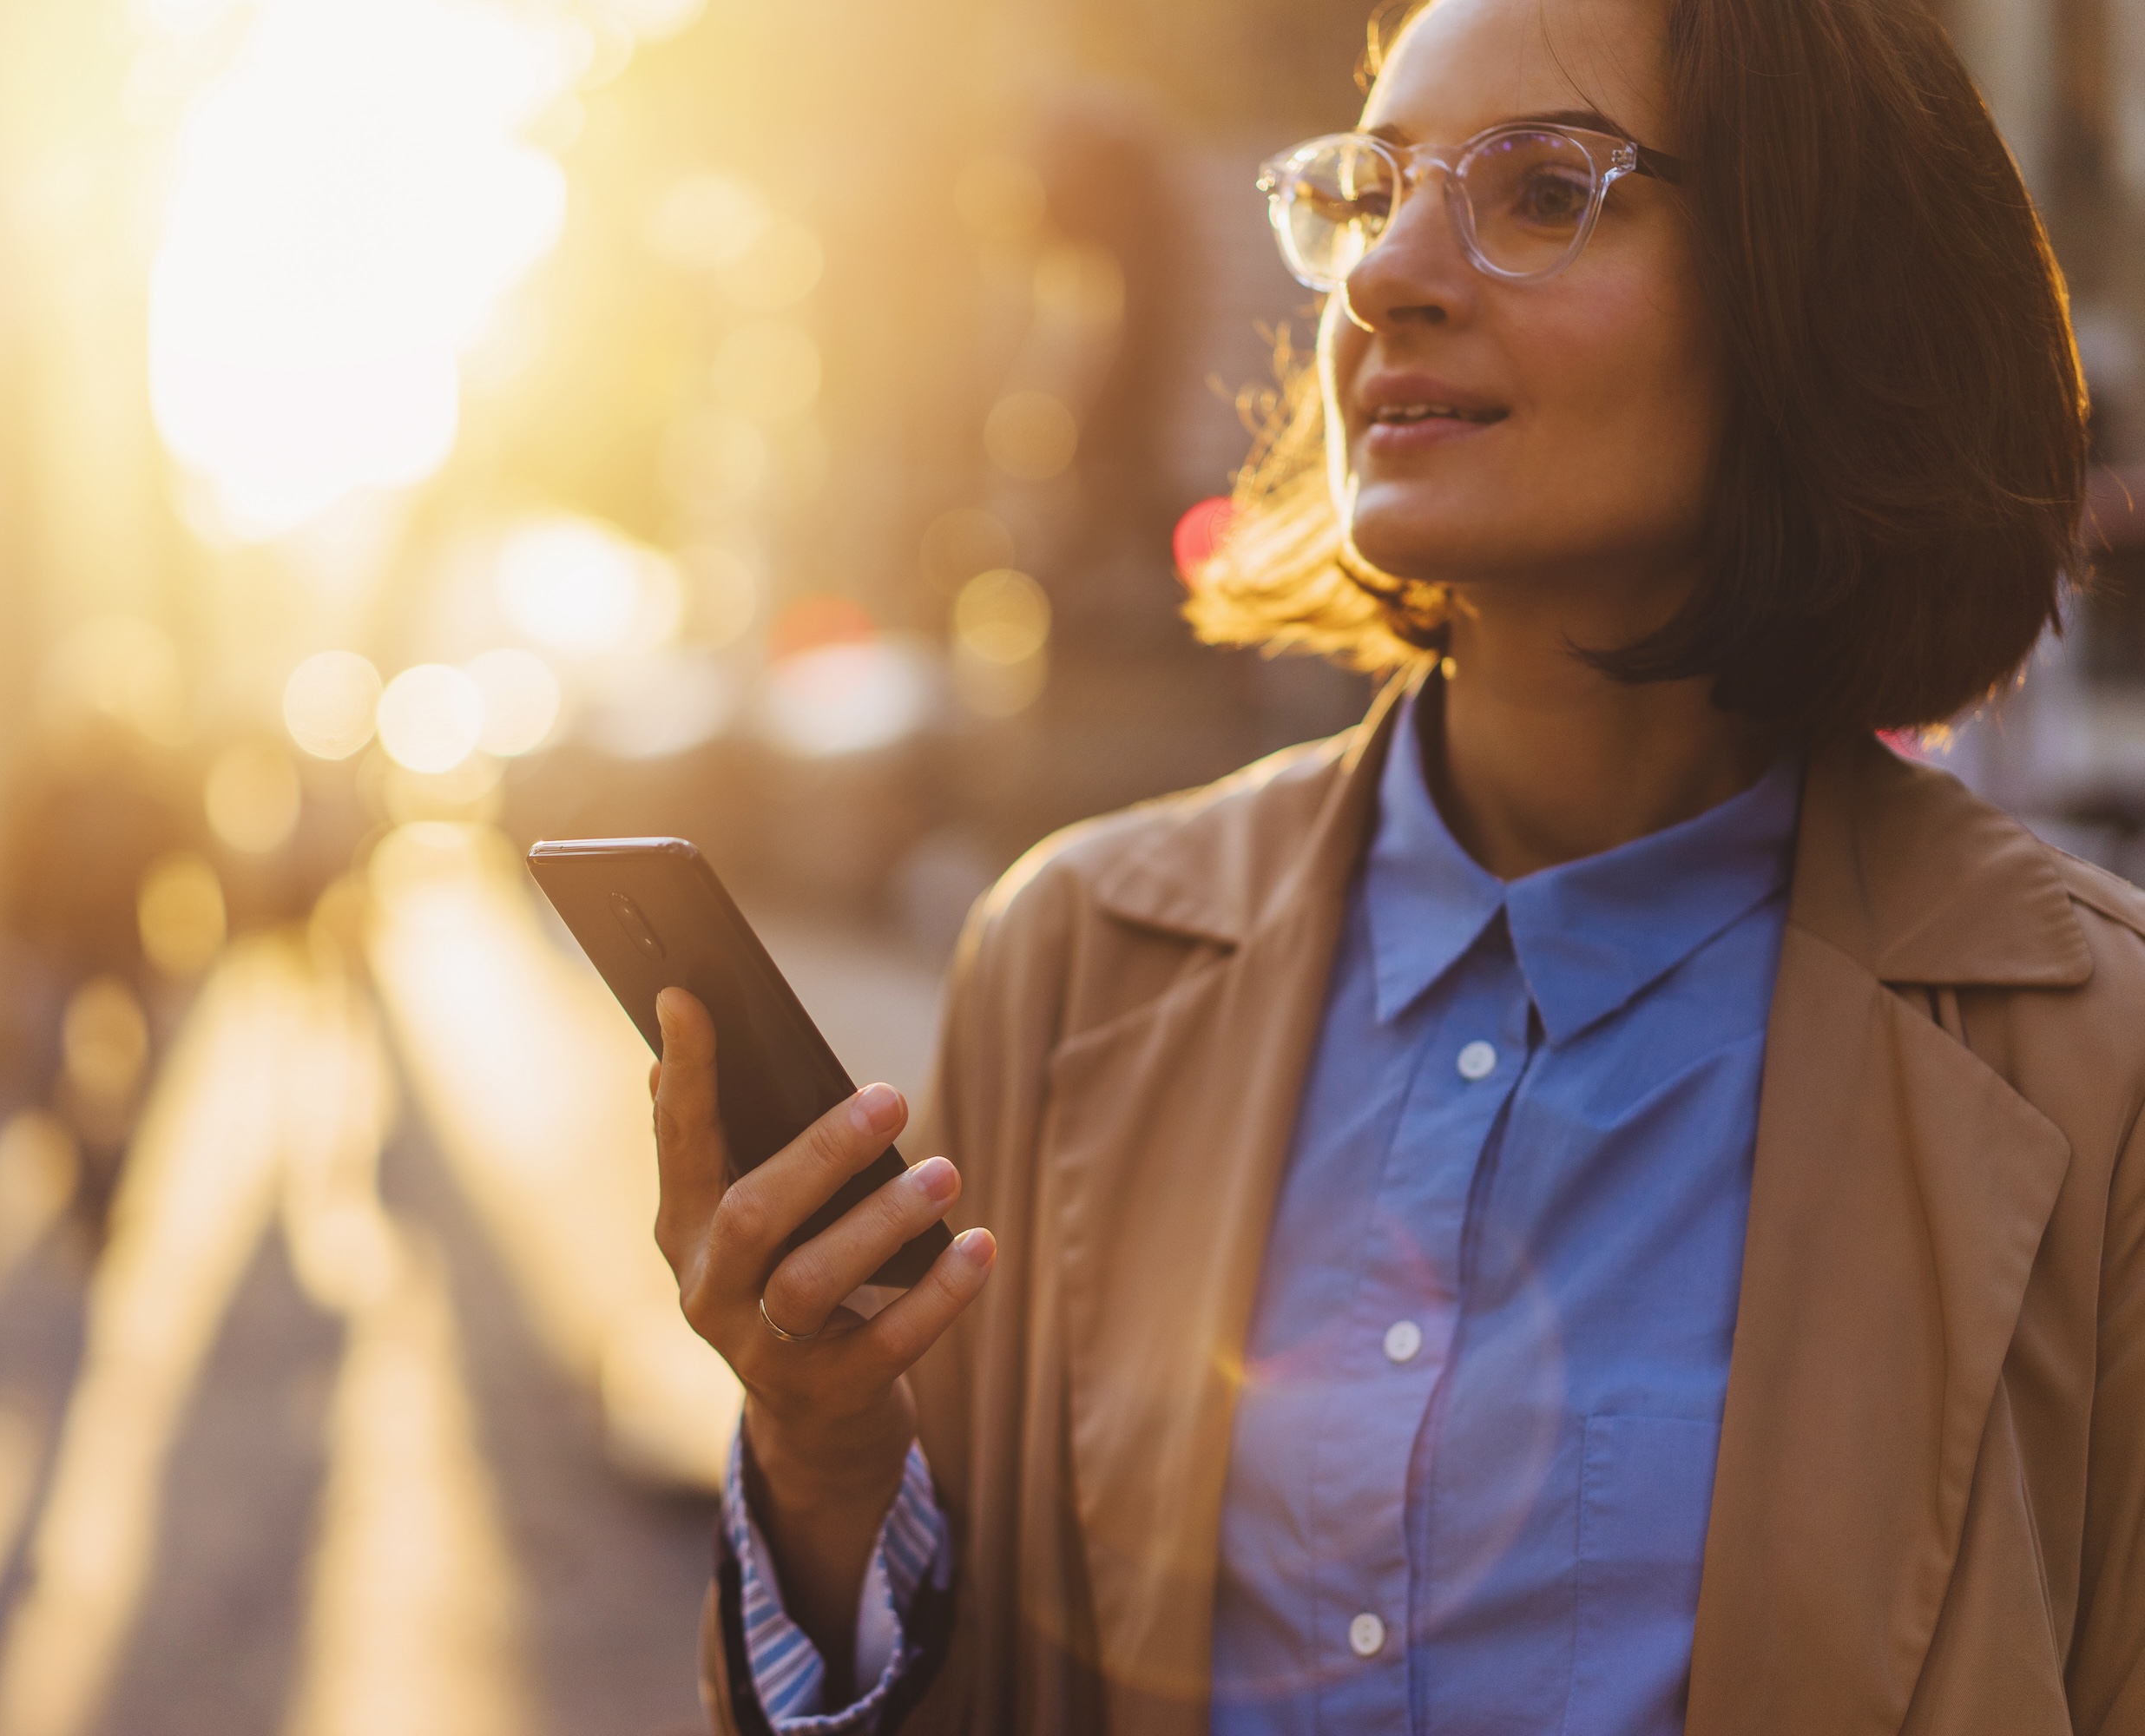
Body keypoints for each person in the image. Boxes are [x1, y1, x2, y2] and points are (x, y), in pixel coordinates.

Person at [648, 0, 2145, 1728]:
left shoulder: (2091, 1062)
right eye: (1370, 195)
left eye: (1538, 191)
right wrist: (828, 1468)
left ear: (1814, 296)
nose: (1384, 279)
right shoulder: (1070, 956)